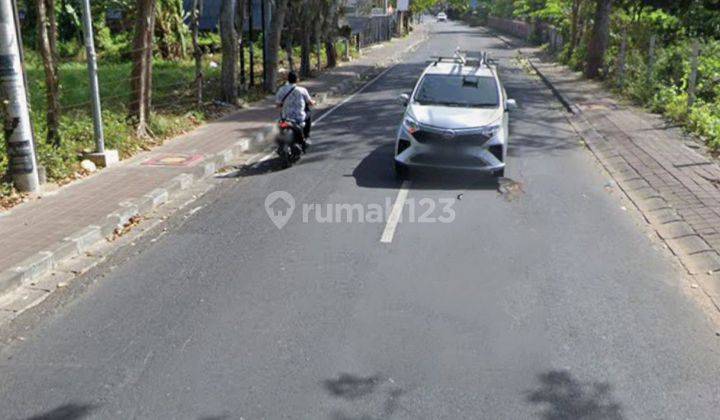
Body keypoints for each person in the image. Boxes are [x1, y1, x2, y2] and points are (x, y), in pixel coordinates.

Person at [276, 71, 315, 144]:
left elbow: (278, 104)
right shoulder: (302, 90)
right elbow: (309, 102)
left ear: (287, 79)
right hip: (299, 117)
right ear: (297, 79)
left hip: (286, 117)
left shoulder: (282, 89)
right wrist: (313, 102)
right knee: (308, 114)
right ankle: (306, 136)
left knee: (280, 122)